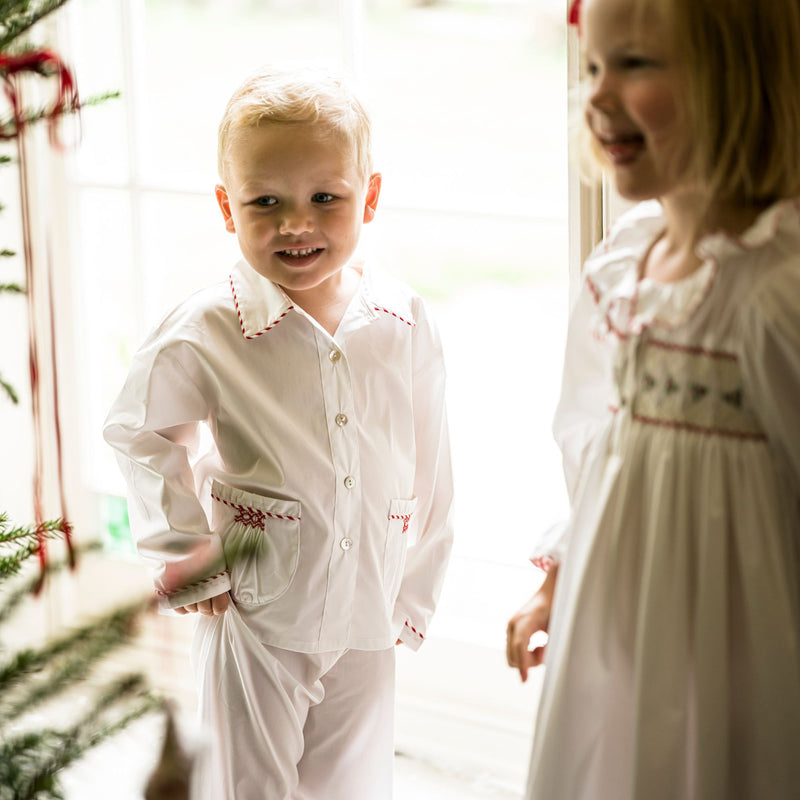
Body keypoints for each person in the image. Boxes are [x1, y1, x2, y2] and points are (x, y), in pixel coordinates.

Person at [103, 66, 454, 800]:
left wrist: (414, 591)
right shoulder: (208, 327)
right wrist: (185, 551)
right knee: (247, 783)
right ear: (228, 208)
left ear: (371, 197)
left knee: (352, 781)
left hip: (367, 605)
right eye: (267, 202)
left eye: (326, 198)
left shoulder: (401, 318)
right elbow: (139, 430)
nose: (298, 223)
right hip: (259, 612)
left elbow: (431, 460)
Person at [506, 0, 800, 797]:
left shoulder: (776, 291)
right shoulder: (623, 269)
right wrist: (560, 577)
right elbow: (602, 448)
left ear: (740, 78)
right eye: (595, 66)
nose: (597, 96)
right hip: (622, 625)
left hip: (742, 652)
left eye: (636, 65)